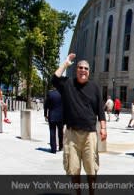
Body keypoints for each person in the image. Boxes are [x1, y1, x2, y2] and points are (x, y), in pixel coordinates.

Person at [52, 53, 106, 195]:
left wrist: (104, 128)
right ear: (76, 70)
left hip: (90, 134)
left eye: (86, 69)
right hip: (72, 135)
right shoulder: (68, 83)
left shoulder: (94, 88)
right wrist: (65, 63)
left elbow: (100, 110)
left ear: (89, 72)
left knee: (91, 168)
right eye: (80, 68)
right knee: (74, 168)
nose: (83, 70)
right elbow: (54, 79)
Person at [44, 87, 64, 153]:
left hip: (52, 115)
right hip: (61, 116)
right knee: (60, 132)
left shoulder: (50, 94)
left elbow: (46, 105)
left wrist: (45, 114)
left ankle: (53, 149)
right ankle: (61, 146)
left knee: (52, 132)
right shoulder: (63, 94)